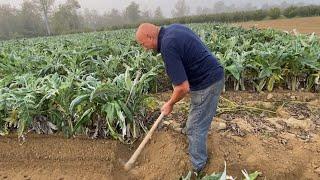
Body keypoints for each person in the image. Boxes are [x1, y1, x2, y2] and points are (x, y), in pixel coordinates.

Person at [135, 23, 224, 173]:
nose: (145, 48)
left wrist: (170, 103)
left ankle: (198, 168)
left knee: (195, 128)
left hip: (208, 82)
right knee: (196, 112)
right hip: (207, 77)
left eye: (144, 44)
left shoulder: (167, 47)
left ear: (150, 37)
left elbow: (183, 87)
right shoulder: (173, 29)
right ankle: (189, 134)